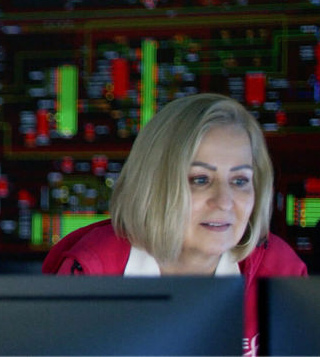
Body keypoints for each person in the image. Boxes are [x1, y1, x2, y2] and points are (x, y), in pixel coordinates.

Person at [41, 93, 306, 357]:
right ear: (153, 185)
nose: (225, 202)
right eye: (200, 179)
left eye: (239, 181)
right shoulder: (91, 275)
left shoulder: (280, 272)